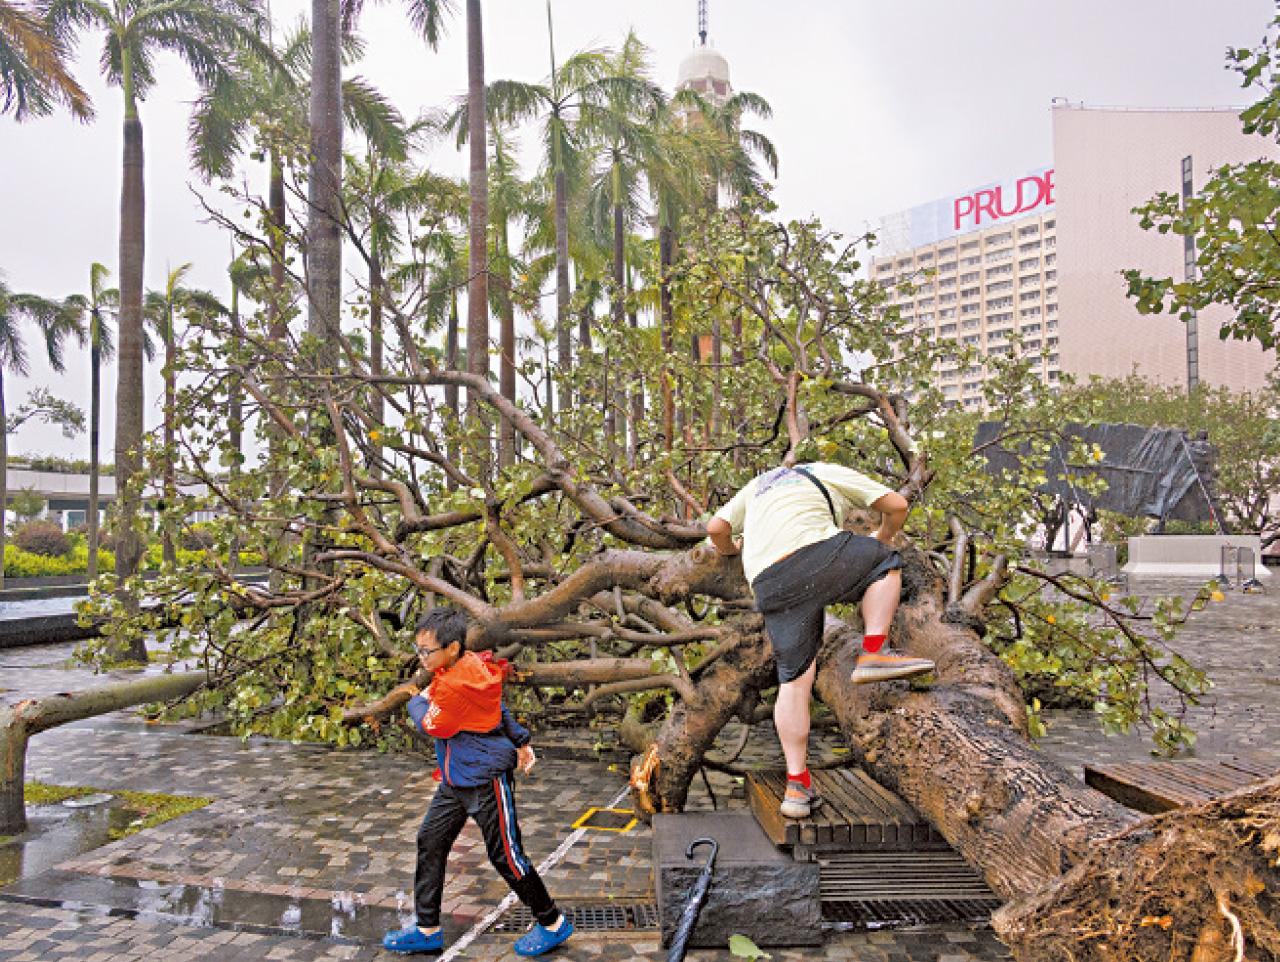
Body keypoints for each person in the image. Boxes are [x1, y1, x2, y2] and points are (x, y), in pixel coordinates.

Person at [705, 462, 934, 820]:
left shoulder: (757, 485)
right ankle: (873, 652)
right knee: (885, 562)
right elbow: (896, 506)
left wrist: (733, 550)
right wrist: (882, 537)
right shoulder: (824, 471)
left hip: (769, 583)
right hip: (811, 554)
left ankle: (797, 786)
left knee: (795, 681)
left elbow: (715, 528)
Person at [382, 608, 573, 957]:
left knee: (507, 856)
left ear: (452, 648)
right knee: (430, 840)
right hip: (456, 781)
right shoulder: (467, 665)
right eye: (418, 648)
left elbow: (431, 725)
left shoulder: (455, 685)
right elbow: (496, 709)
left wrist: (415, 701)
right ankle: (427, 929)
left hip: (486, 780)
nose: (420, 657)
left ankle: (553, 924)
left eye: (427, 651)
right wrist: (521, 738)